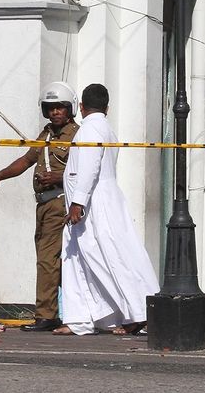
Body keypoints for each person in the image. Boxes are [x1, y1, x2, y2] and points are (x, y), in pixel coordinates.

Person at [53, 83, 160, 336]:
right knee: (79, 259)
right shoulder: (106, 128)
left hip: (93, 203)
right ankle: (81, 318)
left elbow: (89, 167)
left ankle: (137, 312)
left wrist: (79, 202)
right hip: (98, 199)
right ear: (107, 107)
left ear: (80, 107)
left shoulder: (90, 129)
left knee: (108, 257)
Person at [0, 82, 79, 332]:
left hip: (61, 203)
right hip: (44, 205)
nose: (56, 112)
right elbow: (26, 160)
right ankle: (67, 311)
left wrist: (59, 178)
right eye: (51, 108)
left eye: (60, 108)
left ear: (70, 109)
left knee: (48, 261)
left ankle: (46, 315)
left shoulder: (77, 135)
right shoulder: (46, 135)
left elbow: (86, 169)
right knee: (50, 261)